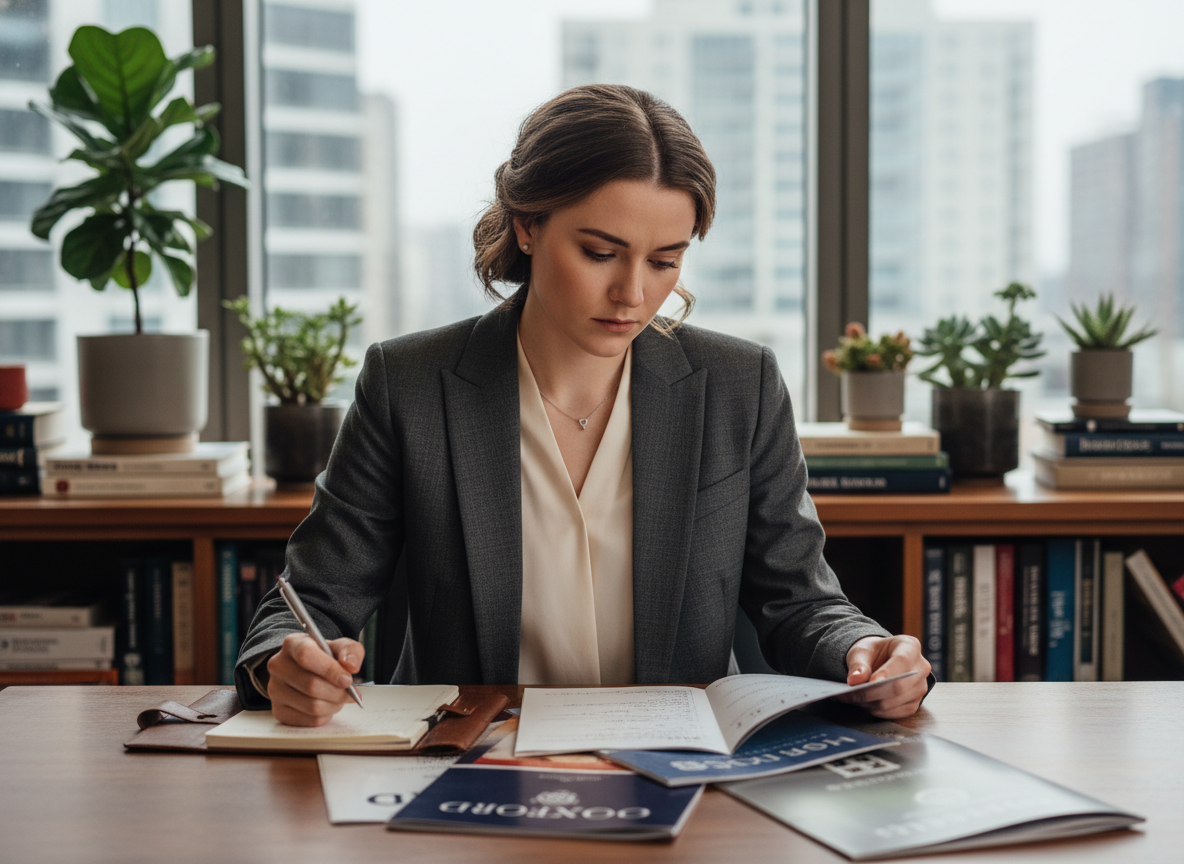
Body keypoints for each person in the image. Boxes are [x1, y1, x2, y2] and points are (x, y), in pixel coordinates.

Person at [235, 84, 932, 727]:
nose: (632, 292)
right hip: (467, 765)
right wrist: (284, 665)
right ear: (528, 226)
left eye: (664, 260)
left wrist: (864, 650)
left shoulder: (738, 385)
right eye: (601, 252)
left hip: (679, 765)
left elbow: (799, 598)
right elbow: (313, 599)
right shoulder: (410, 383)